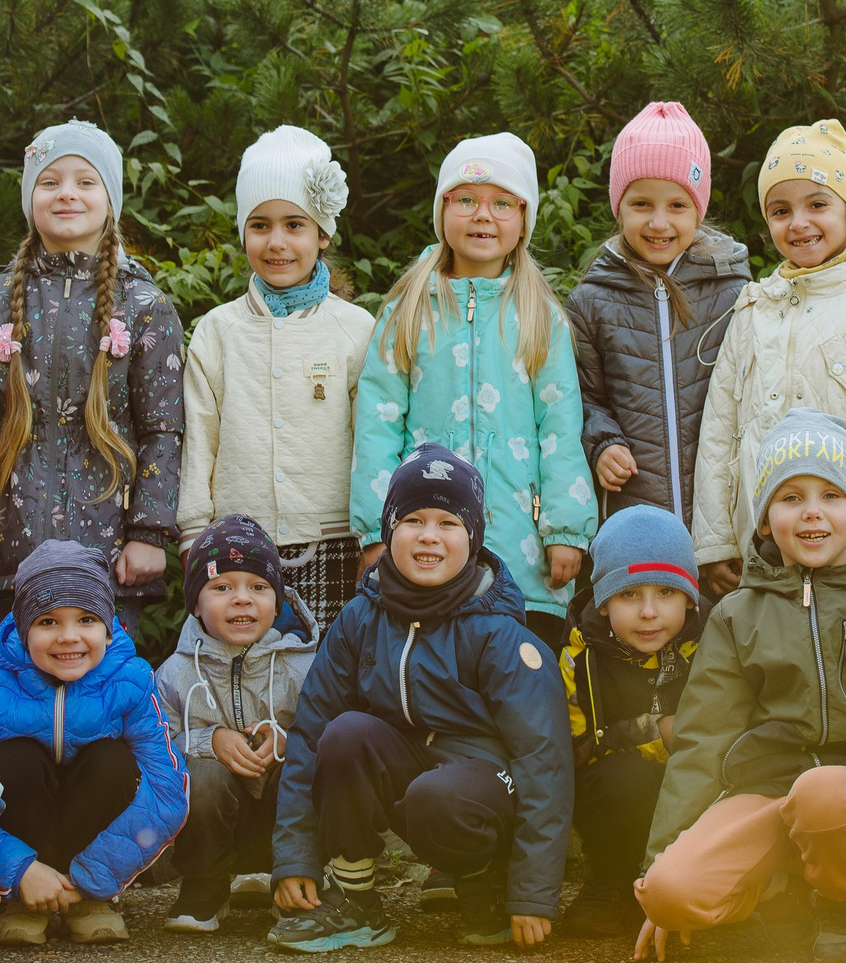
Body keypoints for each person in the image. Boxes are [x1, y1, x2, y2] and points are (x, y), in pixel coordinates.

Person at [638, 410, 846, 963]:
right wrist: (662, 860)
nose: (811, 513)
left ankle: (842, 900)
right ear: (762, 519)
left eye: (831, 495)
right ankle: (783, 889)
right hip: (770, 789)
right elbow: (703, 742)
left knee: (822, 792)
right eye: (790, 497)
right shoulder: (737, 614)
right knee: (668, 893)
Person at [269, 443, 574, 952]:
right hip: (413, 773)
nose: (429, 536)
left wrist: (534, 895)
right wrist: (295, 855)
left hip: (483, 788)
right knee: (343, 735)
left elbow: (546, 762)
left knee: (442, 795)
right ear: (389, 530)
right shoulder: (360, 617)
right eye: (412, 519)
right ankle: (353, 896)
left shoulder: (500, 635)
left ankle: (488, 884)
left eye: (448, 523)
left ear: (473, 538)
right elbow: (309, 730)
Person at [0, 122, 186, 643]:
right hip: (12, 554)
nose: (67, 193)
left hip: (112, 561)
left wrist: (148, 534)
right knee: (14, 704)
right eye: (49, 182)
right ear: (30, 198)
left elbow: (163, 431)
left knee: (104, 707)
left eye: (85, 181)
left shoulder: (145, 307)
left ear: (110, 199)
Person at [350, 134, 596, 639]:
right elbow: (377, 421)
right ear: (443, 210)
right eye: (466, 199)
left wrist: (566, 529)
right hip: (426, 539)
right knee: (429, 678)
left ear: (523, 218)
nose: (483, 215)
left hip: (519, 542)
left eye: (502, 203)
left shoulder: (539, 314)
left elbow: (561, 424)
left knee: (519, 683)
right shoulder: (410, 308)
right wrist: (376, 531)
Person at [691, 121, 846, 599]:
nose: (799, 222)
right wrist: (717, 542)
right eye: (781, 210)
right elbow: (718, 433)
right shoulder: (752, 310)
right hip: (763, 551)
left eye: (817, 205)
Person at [180, 126, 374, 623]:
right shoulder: (218, 331)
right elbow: (199, 436)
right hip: (235, 546)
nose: (277, 242)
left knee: (328, 682)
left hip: (336, 543)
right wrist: (192, 534)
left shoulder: (355, 330)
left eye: (295, 224)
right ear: (243, 231)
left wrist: (376, 534)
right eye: (260, 225)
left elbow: (373, 441)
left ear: (323, 233)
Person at [0, 541, 187, 946]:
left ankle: (89, 901)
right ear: (21, 627)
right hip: (25, 849)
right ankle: (22, 898)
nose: (69, 637)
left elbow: (167, 788)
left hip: (94, 856)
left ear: (108, 624)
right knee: (13, 761)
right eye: (48, 622)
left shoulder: (131, 679)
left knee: (112, 760)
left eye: (86, 619)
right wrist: (18, 871)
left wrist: (94, 876)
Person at [566, 102, 750, 567]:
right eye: (641, 204)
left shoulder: (735, 293)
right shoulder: (592, 300)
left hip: (721, 516)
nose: (659, 222)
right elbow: (580, 396)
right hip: (634, 515)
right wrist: (602, 442)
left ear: (699, 208)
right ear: (619, 207)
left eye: (677, 205)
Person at [155, 515, 319, 932]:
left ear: (278, 602)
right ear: (195, 603)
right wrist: (211, 741)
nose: (242, 600)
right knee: (199, 775)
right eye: (222, 588)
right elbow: (156, 745)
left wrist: (286, 740)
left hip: (281, 813)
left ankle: (294, 876)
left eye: (258, 588)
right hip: (216, 815)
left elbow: (327, 733)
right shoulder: (174, 674)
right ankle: (205, 884)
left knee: (308, 769)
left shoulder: (304, 665)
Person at [560, 505, 702, 939]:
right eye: (628, 595)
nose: (647, 612)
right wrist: (655, 730)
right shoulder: (580, 657)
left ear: (689, 598)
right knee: (621, 779)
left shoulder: (712, 642)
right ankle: (610, 881)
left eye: (665, 593)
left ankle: (704, 881)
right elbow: (576, 749)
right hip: (619, 794)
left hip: (697, 786)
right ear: (603, 602)